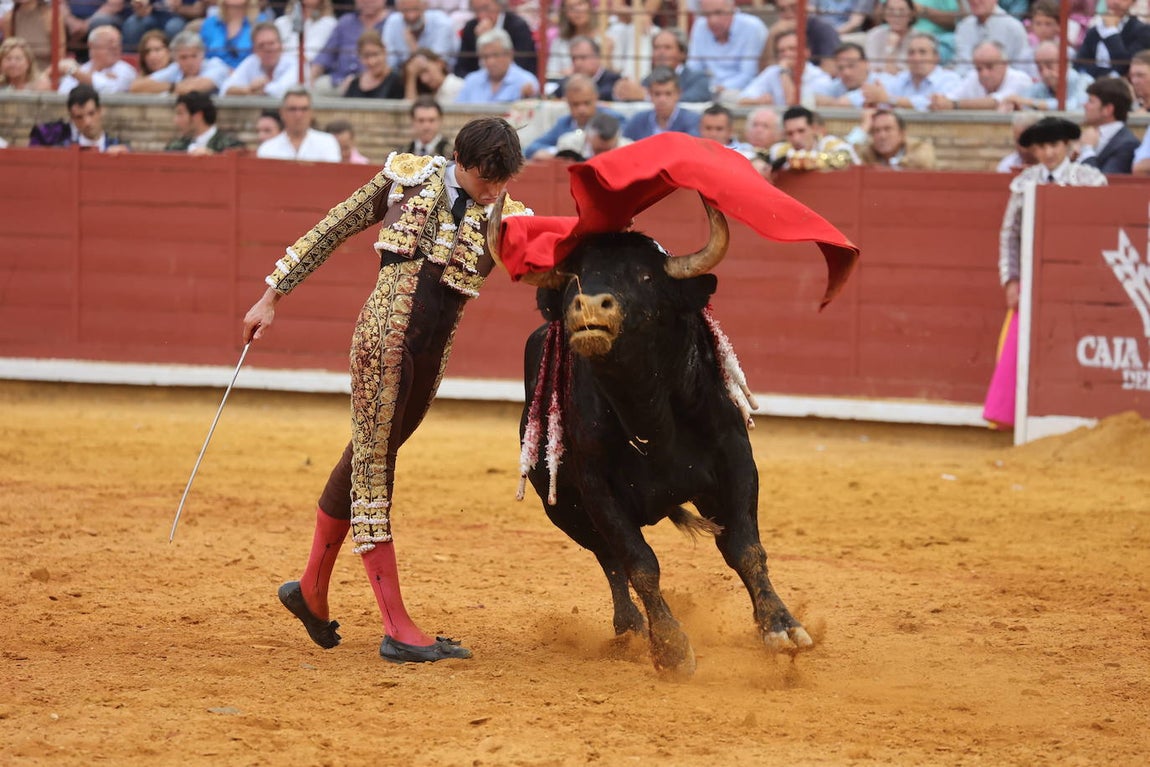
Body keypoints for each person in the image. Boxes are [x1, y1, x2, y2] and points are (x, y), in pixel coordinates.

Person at [242, 116, 531, 665]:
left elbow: (549, 258)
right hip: (383, 340)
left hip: (429, 358)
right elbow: (335, 227)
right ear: (462, 162)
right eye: (486, 178)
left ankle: (310, 589)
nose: (494, 190)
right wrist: (270, 297)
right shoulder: (408, 177)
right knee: (375, 471)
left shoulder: (506, 214)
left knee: (366, 458)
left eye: (503, 179)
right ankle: (397, 626)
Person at [986, 116, 1106, 429]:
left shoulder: (1090, 179)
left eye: (1053, 145)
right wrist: (1011, 279)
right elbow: (1009, 235)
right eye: (1041, 147)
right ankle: (1010, 416)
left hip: (1077, 280)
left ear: (1067, 145)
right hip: (1032, 279)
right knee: (1018, 343)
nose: (1048, 152)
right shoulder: (1025, 182)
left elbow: (1100, 232)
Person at [525, 73, 623, 158]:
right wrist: (559, 152)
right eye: (575, 104)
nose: (581, 110)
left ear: (596, 98)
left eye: (586, 103)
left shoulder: (613, 120)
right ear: (567, 102)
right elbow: (531, 149)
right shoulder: (565, 123)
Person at [687, 0, 767, 98]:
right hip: (707, 92)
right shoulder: (700, 26)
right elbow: (693, 69)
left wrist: (721, 88)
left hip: (742, 93)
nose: (713, 20)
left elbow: (749, 75)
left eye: (718, 13)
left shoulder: (753, 27)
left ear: (733, 9)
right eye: (707, 14)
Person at [862, 31, 960, 111]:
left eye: (922, 52)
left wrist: (889, 99)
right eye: (911, 53)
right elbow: (878, 96)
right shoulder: (901, 78)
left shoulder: (949, 79)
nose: (916, 58)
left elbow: (932, 104)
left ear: (936, 57)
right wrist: (873, 95)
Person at [612, 27, 712, 104]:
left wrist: (646, 96)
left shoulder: (698, 78)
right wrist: (622, 92)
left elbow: (691, 100)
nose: (661, 53)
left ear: (682, 53)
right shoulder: (648, 80)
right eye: (656, 48)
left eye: (667, 48)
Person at [738, 27, 833, 107]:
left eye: (792, 49)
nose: (786, 54)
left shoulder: (820, 78)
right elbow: (742, 99)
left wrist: (784, 72)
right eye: (781, 51)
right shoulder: (772, 72)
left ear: (806, 52)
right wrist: (758, 101)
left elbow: (793, 105)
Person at [310, 0, 388, 96]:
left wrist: (357, 80)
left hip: (378, 82)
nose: (367, 1)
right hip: (340, 81)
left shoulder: (392, 22)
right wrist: (312, 79)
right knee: (319, 86)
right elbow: (325, 55)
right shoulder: (345, 22)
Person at [930, 40, 1031, 111]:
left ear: (1004, 64)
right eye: (979, 68)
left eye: (990, 67)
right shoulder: (973, 76)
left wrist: (954, 105)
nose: (984, 74)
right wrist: (939, 101)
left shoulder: (1020, 79)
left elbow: (996, 102)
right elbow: (950, 98)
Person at [28, 83, 129, 153]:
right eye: (79, 117)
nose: (87, 122)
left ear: (100, 111)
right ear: (72, 119)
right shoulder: (62, 150)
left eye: (91, 113)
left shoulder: (119, 148)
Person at [1001, 40, 1093, 111]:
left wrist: (1033, 103)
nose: (1045, 73)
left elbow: (1074, 106)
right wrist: (1012, 104)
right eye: (1040, 68)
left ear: (1065, 63)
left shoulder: (1084, 82)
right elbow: (1021, 101)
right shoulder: (1040, 87)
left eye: (1049, 66)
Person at [131, 29, 231, 95]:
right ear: (176, 58)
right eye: (184, 57)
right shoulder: (175, 68)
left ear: (202, 54)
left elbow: (195, 88)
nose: (189, 61)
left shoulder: (215, 65)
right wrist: (172, 86)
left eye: (193, 56)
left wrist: (165, 87)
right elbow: (136, 87)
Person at [455, 0, 537, 78]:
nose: (481, 15)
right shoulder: (471, 27)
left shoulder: (518, 26)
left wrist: (491, 36)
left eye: (485, 8)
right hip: (478, 84)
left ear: (499, 5)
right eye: (476, 10)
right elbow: (461, 68)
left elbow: (521, 64)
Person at [454, 28, 539, 103]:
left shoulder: (527, 81)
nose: (490, 62)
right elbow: (458, 113)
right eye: (485, 57)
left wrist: (526, 98)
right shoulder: (471, 81)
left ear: (509, 54)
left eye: (495, 55)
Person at [256, 88, 342, 162]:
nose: (298, 115)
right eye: (292, 109)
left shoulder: (327, 143)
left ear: (311, 113)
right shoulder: (268, 149)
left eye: (304, 109)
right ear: (282, 113)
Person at [221, 21, 304, 97]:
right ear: (254, 50)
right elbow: (225, 89)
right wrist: (247, 89)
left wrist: (257, 89)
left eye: (271, 43)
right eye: (261, 45)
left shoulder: (295, 64)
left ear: (281, 45)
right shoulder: (251, 61)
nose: (267, 49)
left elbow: (283, 92)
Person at [953, 0, 1033, 77]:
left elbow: (1022, 71)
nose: (975, 1)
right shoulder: (963, 27)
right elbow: (962, 68)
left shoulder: (1013, 28)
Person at [766, 105, 858, 172]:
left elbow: (845, 158)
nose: (796, 138)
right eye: (790, 133)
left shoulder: (829, 143)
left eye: (801, 131)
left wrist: (804, 161)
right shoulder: (779, 150)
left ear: (814, 128)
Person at [1077, 77, 1139, 174]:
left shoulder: (1127, 144)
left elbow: (1105, 184)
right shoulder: (1090, 136)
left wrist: (1087, 149)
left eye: (1091, 101)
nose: (1085, 105)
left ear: (1108, 109)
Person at [1075, 0, 1150, 80]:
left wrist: (1111, 32)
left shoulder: (1142, 31)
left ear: (1133, 2)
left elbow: (1125, 65)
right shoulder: (1095, 30)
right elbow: (1079, 64)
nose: (1116, 2)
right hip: (1091, 84)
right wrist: (1108, 74)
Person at [621, 66, 701, 140]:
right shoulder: (638, 120)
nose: (662, 100)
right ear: (650, 94)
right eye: (657, 94)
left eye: (668, 94)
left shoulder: (693, 121)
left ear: (678, 94)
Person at [57, 26, 137, 95]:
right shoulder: (83, 68)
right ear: (92, 46)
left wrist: (74, 72)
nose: (115, 47)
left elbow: (110, 90)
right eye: (109, 44)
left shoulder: (125, 70)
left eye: (118, 44)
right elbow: (64, 92)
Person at [381, 0, 456, 70]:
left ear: (425, 7)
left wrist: (413, 46)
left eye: (415, 9)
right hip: (404, 75)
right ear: (399, 9)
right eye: (405, 10)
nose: (411, 16)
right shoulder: (393, 22)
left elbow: (437, 66)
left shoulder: (441, 23)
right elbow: (388, 63)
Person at [851, 108, 936, 168]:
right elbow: (842, 156)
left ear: (902, 134)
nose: (882, 136)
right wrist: (863, 127)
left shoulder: (919, 148)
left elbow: (923, 163)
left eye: (888, 129)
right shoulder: (868, 154)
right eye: (876, 131)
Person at [165, 90, 245, 153]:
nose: (175, 120)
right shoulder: (175, 147)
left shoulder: (231, 145)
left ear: (198, 116)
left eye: (180, 114)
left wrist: (214, 158)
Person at [2, 0, 68, 73]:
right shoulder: (8, 19)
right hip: (19, 78)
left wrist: (44, 79)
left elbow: (60, 57)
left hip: (47, 77)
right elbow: (7, 55)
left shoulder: (52, 17)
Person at [552, 36, 621, 102]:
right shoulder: (567, 82)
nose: (577, 63)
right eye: (574, 58)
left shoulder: (614, 80)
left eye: (583, 57)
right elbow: (551, 98)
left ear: (597, 57)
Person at [815, 42, 884, 108]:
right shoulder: (838, 84)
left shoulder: (882, 82)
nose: (846, 73)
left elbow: (843, 104)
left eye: (851, 66)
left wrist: (829, 102)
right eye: (840, 68)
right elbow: (811, 98)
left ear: (866, 63)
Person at [274, 0, 337, 67]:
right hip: (275, 68)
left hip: (306, 71)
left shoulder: (328, 23)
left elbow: (308, 58)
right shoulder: (280, 22)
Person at [343, 31, 405, 98]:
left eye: (375, 54)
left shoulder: (398, 81)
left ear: (384, 52)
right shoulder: (354, 84)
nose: (372, 62)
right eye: (366, 56)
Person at [866, 0, 917, 76]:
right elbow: (871, 70)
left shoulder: (919, 39)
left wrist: (890, 49)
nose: (896, 15)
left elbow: (898, 75)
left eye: (902, 10)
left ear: (911, 15)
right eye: (891, 10)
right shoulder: (875, 35)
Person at [554, 110, 631, 159]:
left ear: (617, 140)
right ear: (587, 136)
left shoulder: (628, 149)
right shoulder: (569, 145)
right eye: (599, 150)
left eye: (607, 150)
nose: (602, 156)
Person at [121, 0, 186, 52]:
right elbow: (136, 5)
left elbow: (195, 10)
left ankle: (173, 58)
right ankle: (135, 60)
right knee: (132, 24)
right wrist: (140, 8)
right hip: (147, 16)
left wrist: (177, 8)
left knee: (173, 27)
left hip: (172, 17)